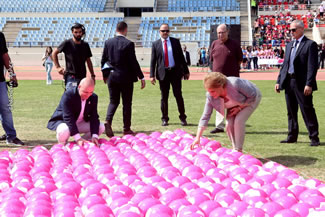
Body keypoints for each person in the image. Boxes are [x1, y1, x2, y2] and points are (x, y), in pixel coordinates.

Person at [275, 20, 320, 147]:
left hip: (302, 83)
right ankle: (292, 136)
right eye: (290, 30)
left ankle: (314, 137)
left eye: (293, 30)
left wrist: (309, 84)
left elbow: (312, 66)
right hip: (289, 82)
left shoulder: (310, 44)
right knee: (291, 110)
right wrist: (279, 81)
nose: (291, 32)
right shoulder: (289, 45)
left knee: (307, 110)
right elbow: (285, 65)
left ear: (302, 29)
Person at [191, 72, 261, 152]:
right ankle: (235, 148)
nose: (210, 94)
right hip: (234, 103)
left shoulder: (235, 84)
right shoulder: (210, 96)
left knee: (238, 121)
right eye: (209, 91)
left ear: (221, 86)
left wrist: (239, 108)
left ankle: (238, 150)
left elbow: (252, 95)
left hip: (251, 99)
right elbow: (205, 116)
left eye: (213, 91)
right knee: (228, 125)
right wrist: (197, 137)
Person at [101, 21, 145, 137]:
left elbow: (103, 60)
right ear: (125, 30)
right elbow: (133, 62)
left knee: (113, 101)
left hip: (112, 76)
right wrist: (141, 76)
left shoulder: (108, 42)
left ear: (116, 29)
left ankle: (108, 120)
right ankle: (126, 128)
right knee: (127, 103)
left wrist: (105, 75)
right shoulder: (129, 44)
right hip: (126, 78)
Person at [150, 23, 190, 127]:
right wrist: (151, 75)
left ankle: (183, 118)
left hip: (175, 73)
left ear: (169, 31)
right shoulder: (155, 44)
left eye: (167, 31)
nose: (165, 33)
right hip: (163, 74)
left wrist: (186, 71)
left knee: (178, 96)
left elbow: (182, 58)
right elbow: (153, 61)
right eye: (163, 31)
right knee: (164, 97)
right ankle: (164, 119)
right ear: (159, 32)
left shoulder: (175, 42)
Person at [47, 78, 104, 146]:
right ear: (79, 87)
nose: (88, 95)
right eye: (85, 92)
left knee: (101, 126)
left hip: (80, 123)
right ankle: (62, 145)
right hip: (65, 122)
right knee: (64, 130)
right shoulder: (69, 95)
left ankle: (82, 143)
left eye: (91, 92)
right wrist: (77, 138)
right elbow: (68, 117)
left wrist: (95, 136)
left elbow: (94, 116)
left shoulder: (94, 97)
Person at [209, 24, 243, 134]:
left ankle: (232, 125)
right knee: (219, 102)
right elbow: (212, 60)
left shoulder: (235, 44)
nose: (220, 34)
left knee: (232, 102)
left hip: (231, 79)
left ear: (227, 32)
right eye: (218, 32)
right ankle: (219, 126)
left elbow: (239, 60)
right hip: (217, 80)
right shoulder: (214, 44)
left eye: (222, 32)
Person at [52, 23, 95, 90]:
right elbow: (54, 53)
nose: (78, 34)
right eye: (76, 32)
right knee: (71, 94)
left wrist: (92, 75)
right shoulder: (67, 43)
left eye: (80, 32)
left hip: (82, 77)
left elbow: (88, 60)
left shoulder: (85, 45)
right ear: (72, 32)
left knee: (81, 96)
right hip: (70, 76)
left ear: (82, 32)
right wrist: (58, 67)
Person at [0, 32, 24, 146]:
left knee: (6, 108)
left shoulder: (0, 36)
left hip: (0, 80)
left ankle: (11, 136)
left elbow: (5, 56)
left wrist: (12, 74)